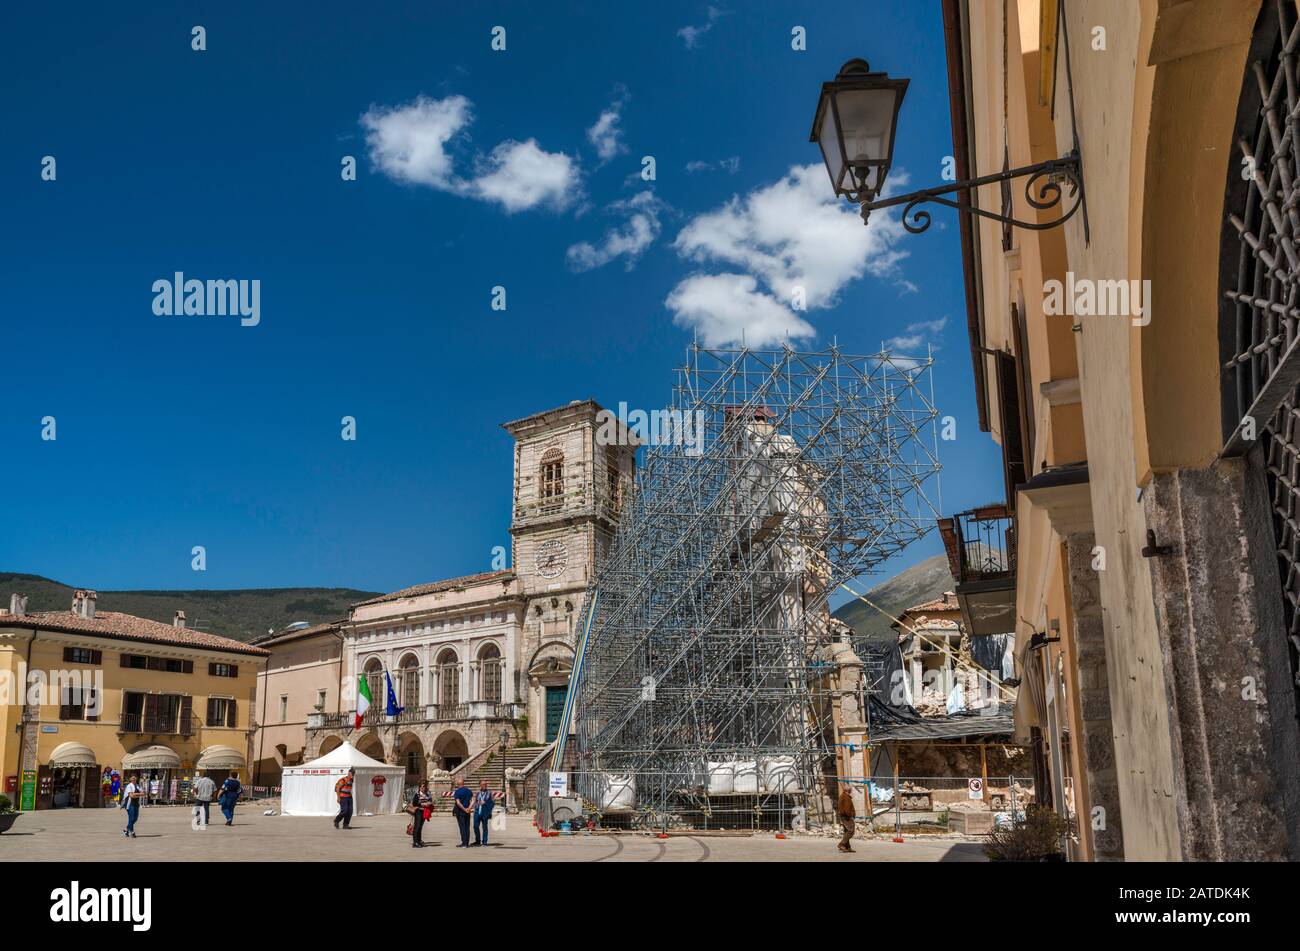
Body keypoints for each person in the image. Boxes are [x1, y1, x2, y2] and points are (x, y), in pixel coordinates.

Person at [408, 781, 433, 848]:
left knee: (420, 827)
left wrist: (428, 803)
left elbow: (430, 801)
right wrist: (422, 804)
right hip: (418, 811)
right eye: (421, 787)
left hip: (424, 812)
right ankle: (415, 842)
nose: (423, 788)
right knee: (417, 826)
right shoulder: (417, 794)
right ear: (419, 788)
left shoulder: (427, 794)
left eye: (424, 786)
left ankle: (419, 841)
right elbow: (414, 803)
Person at [472, 780, 495, 847]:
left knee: (484, 827)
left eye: (485, 784)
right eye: (483, 784)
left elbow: (493, 803)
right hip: (477, 812)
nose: (484, 785)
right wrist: (474, 805)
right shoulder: (477, 793)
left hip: (485, 812)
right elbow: (474, 801)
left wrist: (486, 803)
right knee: (475, 826)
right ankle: (478, 841)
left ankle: (484, 842)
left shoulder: (489, 793)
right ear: (480, 785)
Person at [451, 777, 473, 847]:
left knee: (462, 827)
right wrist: (469, 808)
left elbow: (458, 803)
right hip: (468, 811)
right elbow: (473, 800)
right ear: (463, 783)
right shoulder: (469, 791)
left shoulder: (457, 792)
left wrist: (464, 809)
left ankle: (464, 843)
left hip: (460, 812)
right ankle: (467, 842)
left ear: (458, 784)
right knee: (467, 827)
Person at [120, 773, 143, 838]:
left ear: (136, 779)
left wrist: (135, 794)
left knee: (135, 819)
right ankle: (132, 832)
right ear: (130, 779)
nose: (133, 779)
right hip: (129, 804)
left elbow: (144, 793)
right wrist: (139, 794)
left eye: (134, 778)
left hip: (136, 804)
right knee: (131, 818)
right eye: (132, 778)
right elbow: (131, 796)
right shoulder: (129, 786)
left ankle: (126, 829)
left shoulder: (138, 786)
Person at [836, 783, 856, 853]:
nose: (851, 790)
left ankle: (847, 847)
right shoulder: (845, 797)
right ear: (848, 790)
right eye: (850, 789)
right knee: (851, 831)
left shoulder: (844, 796)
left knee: (847, 831)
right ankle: (841, 844)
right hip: (847, 817)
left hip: (844, 816)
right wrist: (850, 816)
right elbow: (847, 810)